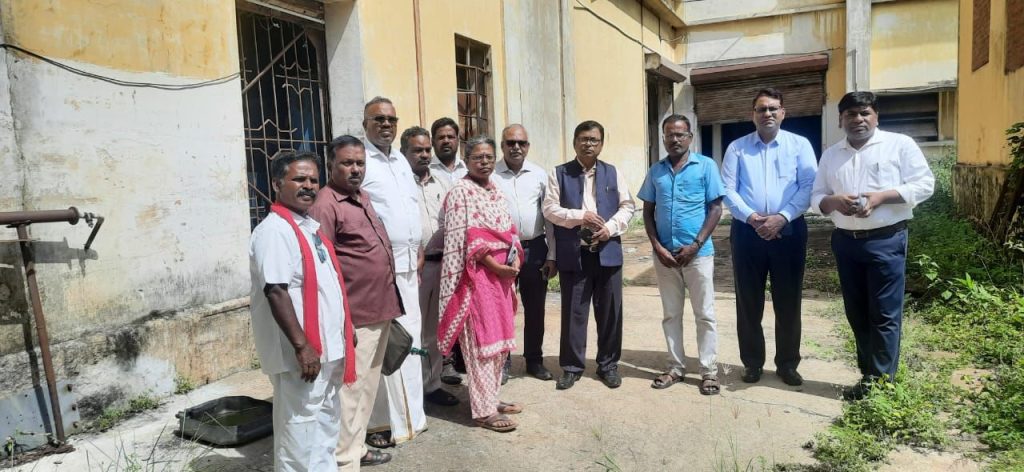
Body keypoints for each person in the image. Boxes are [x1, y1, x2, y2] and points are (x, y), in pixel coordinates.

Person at [811, 91, 934, 400]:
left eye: (865, 113)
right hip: (846, 243)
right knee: (857, 312)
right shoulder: (831, 155)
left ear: (876, 116)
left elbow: (924, 185)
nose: (858, 119)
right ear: (840, 120)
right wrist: (834, 202)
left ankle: (881, 383)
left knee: (884, 313)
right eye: (851, 114)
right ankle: (869, 374)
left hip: (886, 240)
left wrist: (880, 198)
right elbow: (816, 197)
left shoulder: (899, 145)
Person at [248, 151, 355, 471]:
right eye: (299, 179)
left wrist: (344, 330)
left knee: (325, 422)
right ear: (277, 184)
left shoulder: (309, 227)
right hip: (302, 353)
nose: (308, 186)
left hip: (329, 347)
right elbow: (276, 291)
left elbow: (327, 287)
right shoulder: (275, 231)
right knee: (299, 428)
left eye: (313, 180)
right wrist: (302, 345)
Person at [309, 137, 400, 469]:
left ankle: (356, 447)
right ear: (330, 164)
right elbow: (322, 266)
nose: (355, 169)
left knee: (368, 386)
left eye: (360, 163)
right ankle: (344, 459)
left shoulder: (361, 197)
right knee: (350, 390)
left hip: (380, 306)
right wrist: (339, 320)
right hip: (356, 314)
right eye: (347, 163)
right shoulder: (326, 204)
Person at [721, 88, 818, 386]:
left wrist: (782, 217)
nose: (768, 114)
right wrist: (752, 217)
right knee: (748, 301)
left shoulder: (799, 145)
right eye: (761, 109)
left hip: (788, 230)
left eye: (773, 108)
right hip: (747, 231)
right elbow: (727, 189)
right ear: (753, 115)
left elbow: (809, 186)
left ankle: (787, 364)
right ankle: (752, 363)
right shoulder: (737, 148)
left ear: (783, 113)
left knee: (788, 300)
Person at [435, 135, 524, 432]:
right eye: (477, 158)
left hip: (501, 279)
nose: (484, 162)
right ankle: (484, 412)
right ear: (466, 160)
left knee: (499, 343)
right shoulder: (460, 192)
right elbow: (465, 239)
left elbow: (509, 230)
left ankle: (491, 398)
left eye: (488, 157)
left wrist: (514, 260)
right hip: (476, 279)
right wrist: (495, 266)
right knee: (481, 344)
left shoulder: (495, 189)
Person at [542, 120, 636, 390]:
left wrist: (610, 228)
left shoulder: (613, 172)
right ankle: (572, 367)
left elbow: (628, 206)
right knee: (574, 313)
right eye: (583, 139)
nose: (589, 144)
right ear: (574, 142)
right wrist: (580, 216)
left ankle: (608, 366)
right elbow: (549, 209)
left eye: (594, 140)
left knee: (610, 312)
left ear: (602, 144)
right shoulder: (559, 173)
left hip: (607, 252)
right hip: (575, 254)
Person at [638, 114, 725, 395]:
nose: (674, 139)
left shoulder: (706, 166)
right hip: (665, 257)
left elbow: (716, 209)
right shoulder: (656, 171)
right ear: (663, 138)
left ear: (690, 137)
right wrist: (657, 247)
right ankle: (675, 367)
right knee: (671, 314)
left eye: (680, 134)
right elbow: (648, 212)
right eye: (669, 135)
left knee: (705, 314)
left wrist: (696, 245)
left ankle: (709, 371)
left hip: (698, 255)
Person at [358, 97, 427, 447]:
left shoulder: (400, 159)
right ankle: (381, 423)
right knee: (384, 346)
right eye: (379, 119)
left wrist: (417, 245)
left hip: (410, 268)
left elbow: (409, 208)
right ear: (365, 124)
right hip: (381, 271)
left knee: (410, 342)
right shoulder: (361, 161)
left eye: (391, 119)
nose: (386, 125)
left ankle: (412, 418)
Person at [399, 126, 460, 407]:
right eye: (417, 150)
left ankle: (432, 385)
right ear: (404, 152)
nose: (424, 155)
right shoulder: (400, 184)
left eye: (426, 150)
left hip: (443, 266)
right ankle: (410, 390)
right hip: (413, 269)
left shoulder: (443, 183)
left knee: (435, 331)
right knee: (411, 329)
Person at [492, 124, 557, 381]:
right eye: (510, 143)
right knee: (502, 308)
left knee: (535, 308)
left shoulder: (539, 175)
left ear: (528, 146)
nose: (516, 147)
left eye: (521, 143)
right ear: (502, 146)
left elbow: (549, 217)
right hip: (502, 251)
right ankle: (503, 361)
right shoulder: (491, 174)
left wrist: (552, 255)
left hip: (535, 248)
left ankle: (534, 360)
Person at [430, 117, 468, 183]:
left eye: (450, 137)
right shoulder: (427, 171)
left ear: (458, 141)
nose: (446, 141)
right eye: (441, 137)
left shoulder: (467, 169)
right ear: (432, 142)